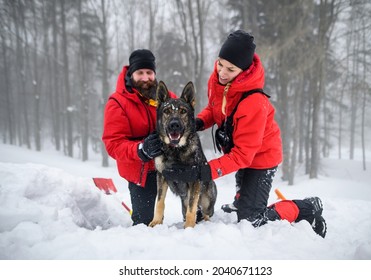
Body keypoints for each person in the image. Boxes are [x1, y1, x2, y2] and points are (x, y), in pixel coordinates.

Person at [162, 30, 327, 238]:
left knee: (252, 219)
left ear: (244, 70)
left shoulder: (254, 103)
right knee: (243, 203)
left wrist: (203, 172)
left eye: (230, 69)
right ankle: (243, 201)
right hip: (238, 150)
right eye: (220, 64)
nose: (221, 72)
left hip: (261, 159)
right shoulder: (217, 81)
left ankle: (305, 207)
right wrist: (198, 122)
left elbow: (243, 156)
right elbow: (215, 110)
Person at [102, 49, 176, 226]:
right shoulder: (118, 103)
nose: (145, 78)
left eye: (149, 73)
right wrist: (140, 149)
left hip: (170, 164)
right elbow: (113, 144)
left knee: (196, 210)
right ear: (131, 73)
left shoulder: (168, 97)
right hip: (142, 172)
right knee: (145, 225)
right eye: (140, 73)